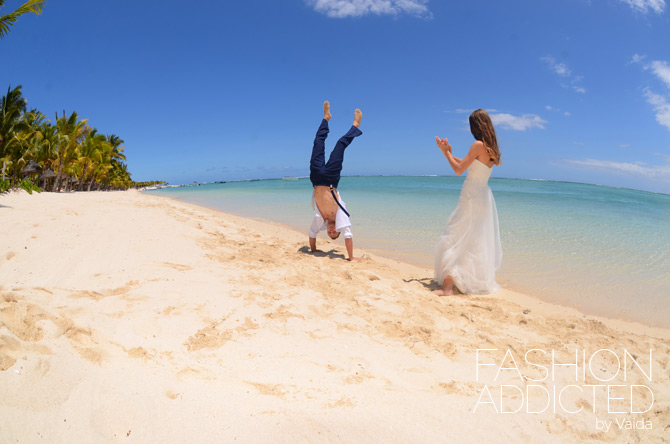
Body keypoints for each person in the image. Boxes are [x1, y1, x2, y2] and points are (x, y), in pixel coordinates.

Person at [433, 109, 503, 295]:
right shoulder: (491, 149)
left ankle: (447, 287)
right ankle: (461, 281)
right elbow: (466, 163)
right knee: (472, 239)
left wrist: (445, 153)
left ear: (476, 126)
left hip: (470, 196)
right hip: (483, 197)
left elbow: (458, 169)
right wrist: (447, 152)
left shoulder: (477, 145)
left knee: (455, 234)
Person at [308, 101, 362, 261]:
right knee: (340, 145)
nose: (331, 230)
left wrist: (313, 249)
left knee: (318, 143)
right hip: (331, 178)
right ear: (338, 229)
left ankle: (326, 118)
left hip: (316, 178)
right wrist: (351, 257)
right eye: (334, 232)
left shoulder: (320, 219)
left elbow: (312, 233)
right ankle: (356, 125)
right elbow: (349, 235)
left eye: (330, 233)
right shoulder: (341, 214)